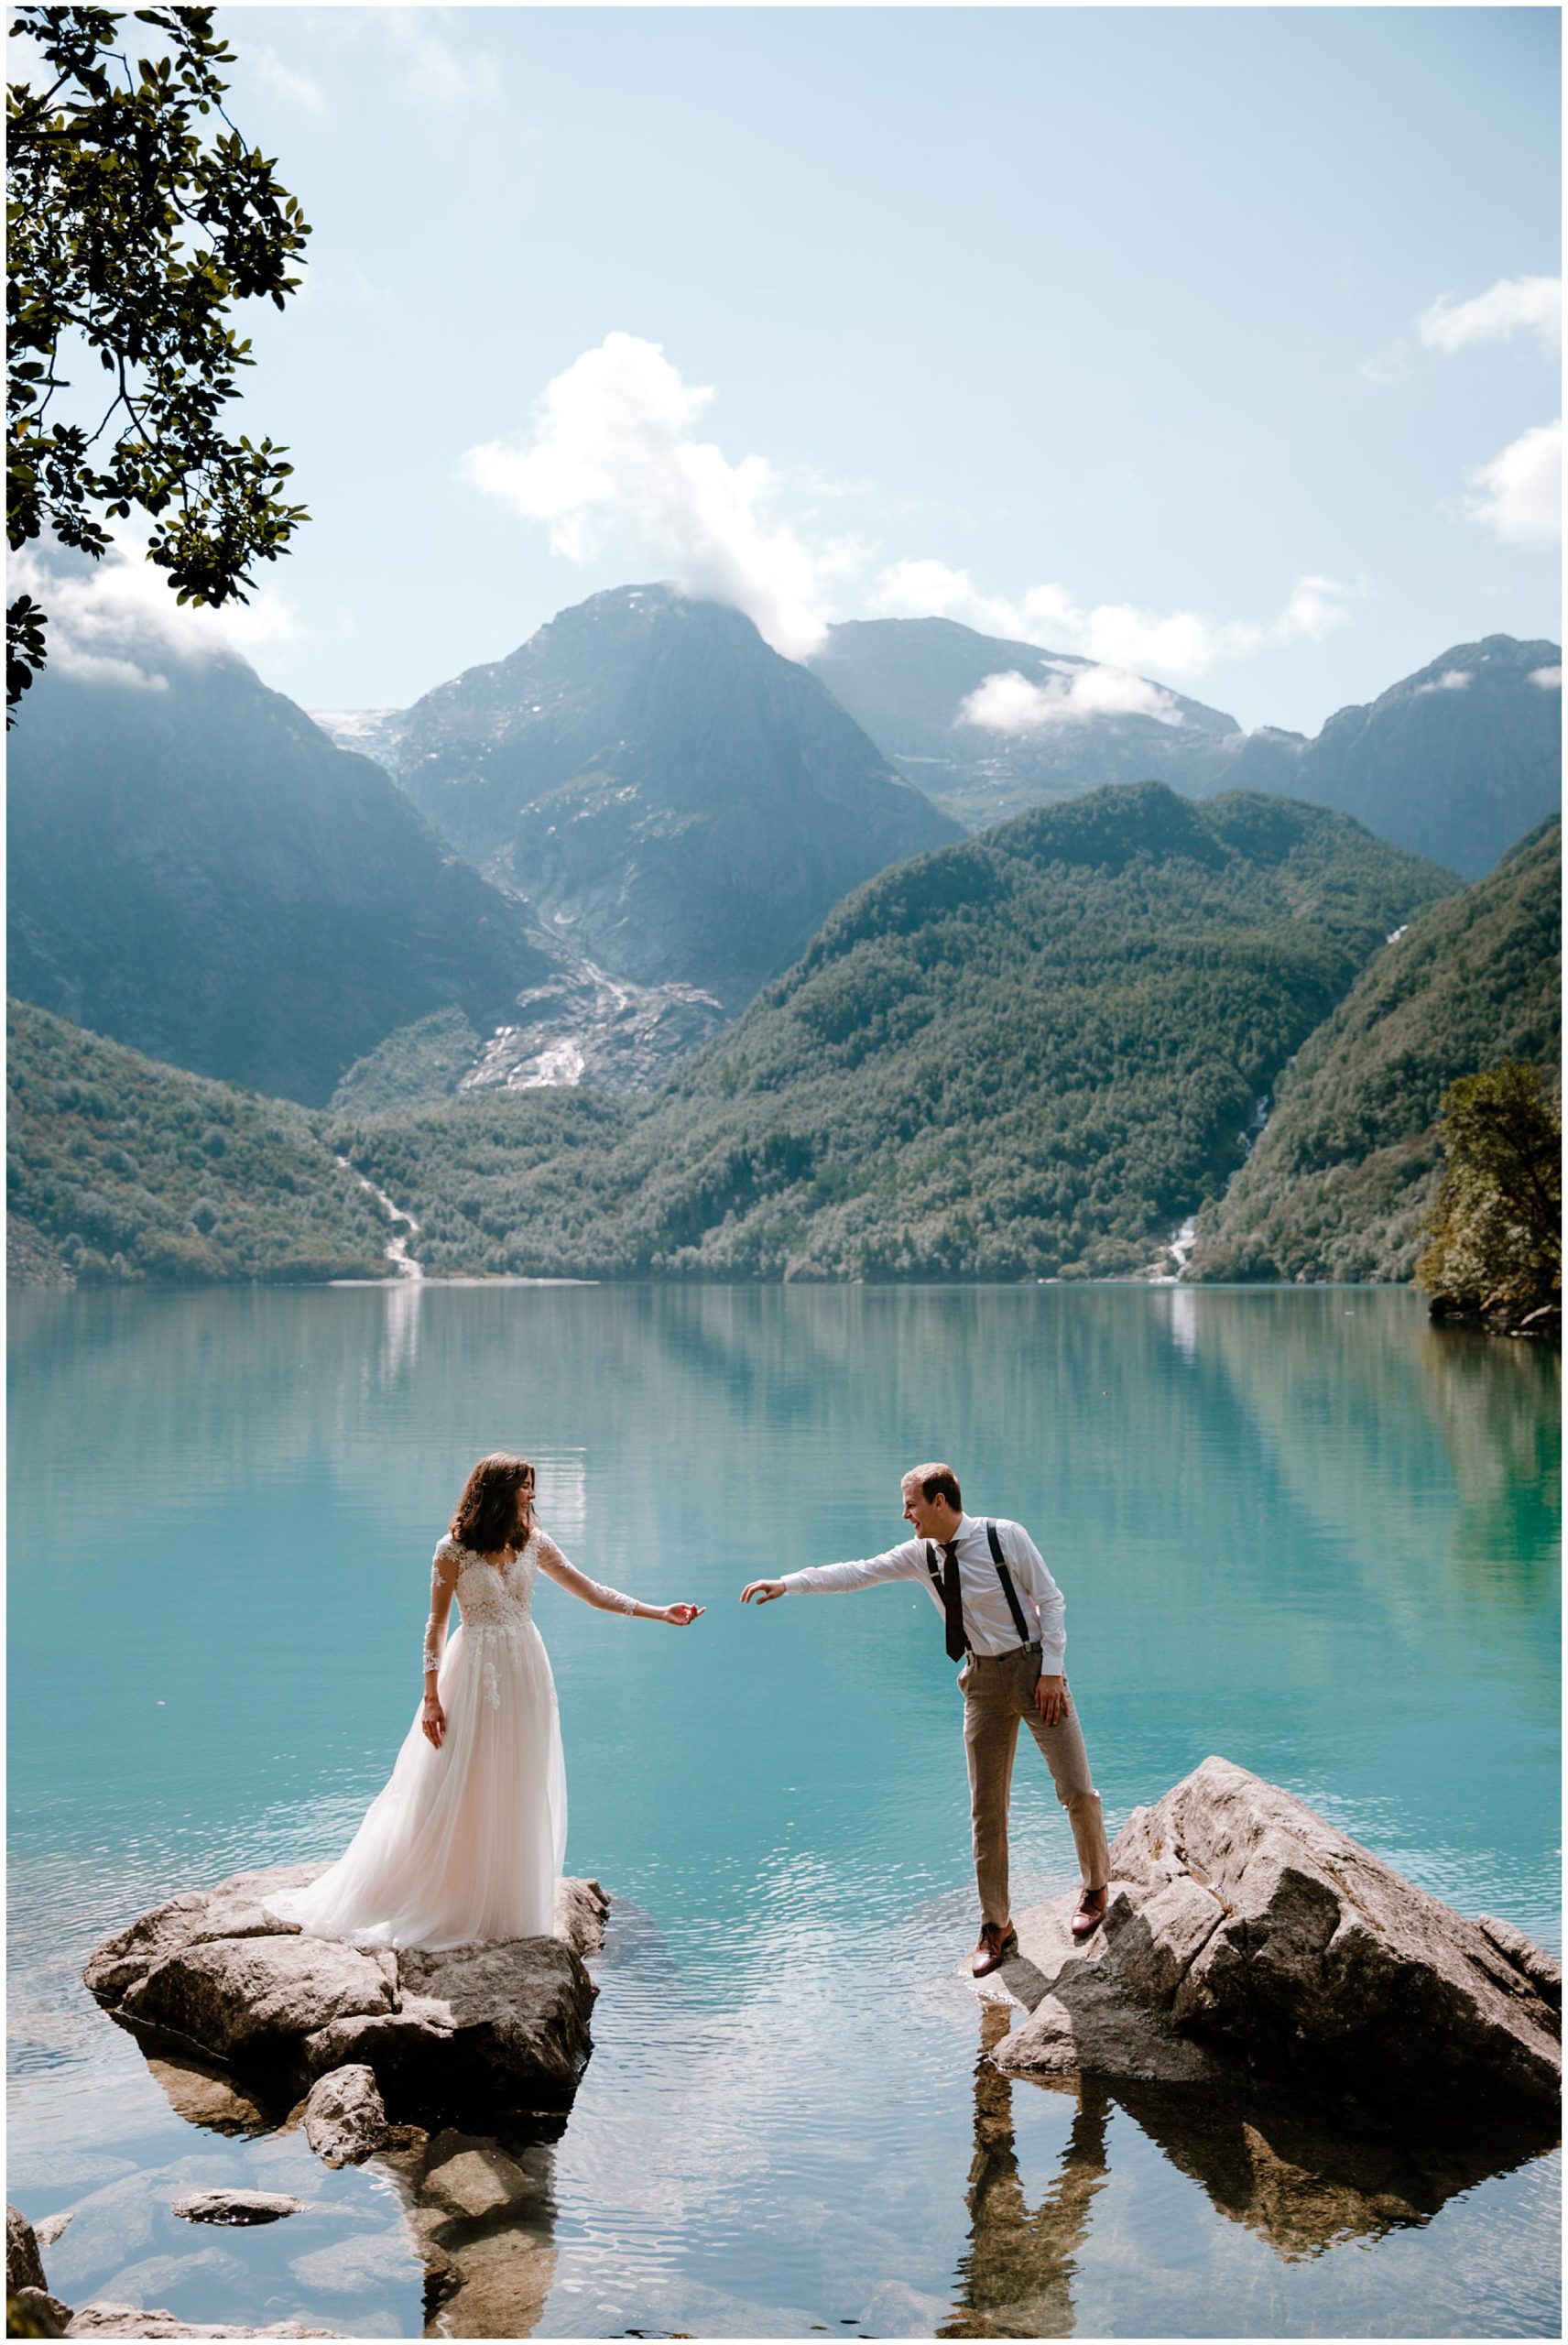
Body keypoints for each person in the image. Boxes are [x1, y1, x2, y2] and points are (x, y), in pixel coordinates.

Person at [266, 1453, 703, 1949]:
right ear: (498, 1491)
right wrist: (430, 1698)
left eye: (532, 1487)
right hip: (472, 1671)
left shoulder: (536, 1544)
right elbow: (435, 1626)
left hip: (525, 1670)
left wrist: (660, 1613)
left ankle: (501, 1903)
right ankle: (450, 1894)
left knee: (517, 1776)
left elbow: (593, 1594)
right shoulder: (451, 1551)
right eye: (525, 1487)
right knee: (463, 1773)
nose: (532, 1496)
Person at [741, 1462, 1110, 1977]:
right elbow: (856, 1573)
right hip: (980, 1683)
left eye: (911, 1503)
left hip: (1034, 1671)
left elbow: (1051, 1601)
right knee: (987, 1811)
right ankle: (996, 1925)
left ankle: (1095, 1887)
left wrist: (1052, 1672)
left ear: (940, 1501)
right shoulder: (922, 1556)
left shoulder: (1006, 1538)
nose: (905, 1514)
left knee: (1076, 1788)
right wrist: (788, 1583)